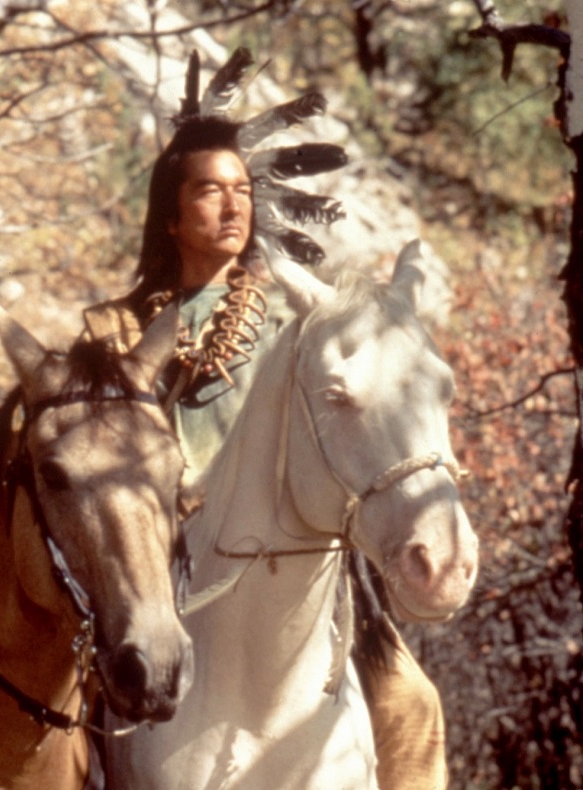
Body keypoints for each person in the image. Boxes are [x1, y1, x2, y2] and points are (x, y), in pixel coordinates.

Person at [84, 114, 449, 789]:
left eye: (243, 190)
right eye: (209, 190)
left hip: (292, 557)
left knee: (411, 704)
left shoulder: (301, 319)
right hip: (157, 556)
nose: (233, 207)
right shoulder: (117, 329)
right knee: (67, 721)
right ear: (170, 216)